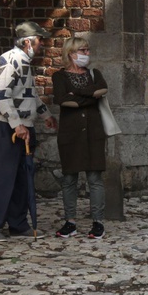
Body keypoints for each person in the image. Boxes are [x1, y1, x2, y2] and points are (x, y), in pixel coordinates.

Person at [0, 22, 58, 242]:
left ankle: (18, 224)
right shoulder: (10, 60)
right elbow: (1, 95)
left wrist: (46, 115)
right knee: (5, 176)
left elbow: (30, 95)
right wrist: (17, 124)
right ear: (27, 41)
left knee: (23, 179)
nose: (42, 44)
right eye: (39, 40)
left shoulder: (25, 62)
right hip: (9, 127)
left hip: (24, 126)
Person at [52, 37, 109, 240]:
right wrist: (90, 96)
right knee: (69, 178)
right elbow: (63, 101)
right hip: (71, 133)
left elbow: (102, 89)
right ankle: (70, 222)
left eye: (87, 49)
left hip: (94, 132)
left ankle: (98, 222)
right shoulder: (59, 77)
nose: (86, 53)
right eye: (82, 50)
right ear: (71, 53)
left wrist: (76, 92)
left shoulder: (94, 74)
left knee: (95, 178)